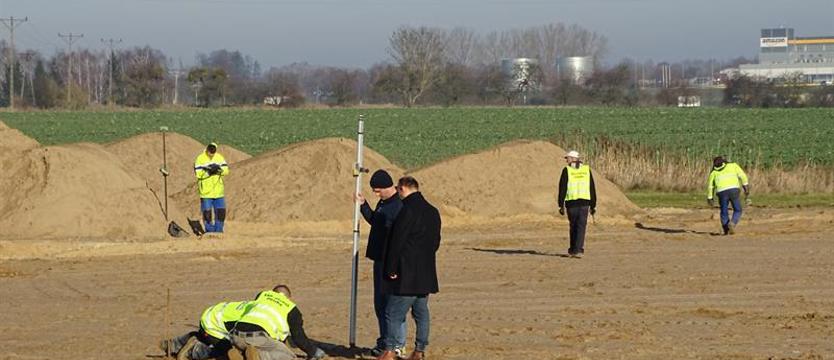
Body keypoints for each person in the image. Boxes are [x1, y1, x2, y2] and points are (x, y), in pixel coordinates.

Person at [377, 176, 442, 360]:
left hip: (406, 274)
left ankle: (389, 351)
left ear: (404, 188)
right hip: (426, 272)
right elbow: (436, 242)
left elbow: (396, 242)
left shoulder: (406, 211)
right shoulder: (433, 211)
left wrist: (390, 269)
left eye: (398, 189)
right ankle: (420, 350)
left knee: (392, 312)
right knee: (421, 313)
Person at [355, 170, 407, 357]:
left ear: (387, 187)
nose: (376, 194)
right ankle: (385, 341)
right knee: (380, 305)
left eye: (377, 191)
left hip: (391, 262)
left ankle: (397, 344)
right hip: (379, 260)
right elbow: (376, 222)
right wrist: (364, 206)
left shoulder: (399, 205)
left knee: (393, 307)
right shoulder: (383, 203)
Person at [228, 285, 326, 360]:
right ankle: (259, 356)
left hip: (236, 336)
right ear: (288, 298)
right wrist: (313, 352)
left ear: (272, 292)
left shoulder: (262, 295)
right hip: (257, 338)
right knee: (289, 356)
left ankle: (241, 354)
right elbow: (298, 338)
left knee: (270, 346)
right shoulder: (290, 308)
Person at [160, 301, 250, 360]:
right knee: (223, 351)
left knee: (206, 336)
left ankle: (174, 344)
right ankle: (191, 350)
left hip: (212, 315)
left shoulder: (257, 304)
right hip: (213, 324)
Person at [557, 150, 597, 258]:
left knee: (573, 226)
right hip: (584, 203)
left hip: (572, 203)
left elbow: (562, 188)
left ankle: (574, 249)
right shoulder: (586, 170)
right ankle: (578, 249)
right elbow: (592, 188)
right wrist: (593, 204)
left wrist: (560, 204)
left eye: (568, 158)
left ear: (574, 159)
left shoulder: (567, 170)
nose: (567, 160)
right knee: (581, 226)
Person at [706, 156, 750, 235]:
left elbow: (710, 186)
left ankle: (726, 230)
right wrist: (746, 188)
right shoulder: (733, 165)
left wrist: (710, 198)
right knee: (738, 210)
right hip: (734, 190)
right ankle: (732, 223)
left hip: (721, 192)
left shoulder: (713, 173)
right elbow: (743, 176)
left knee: (724, 211)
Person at [194, 142, 229, 233]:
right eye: (210, 152)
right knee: (207, 214)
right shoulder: (200, 159)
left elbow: (226, 170)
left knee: (221, 212)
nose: (211, 154)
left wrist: (218, 170)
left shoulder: (219, 157)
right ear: (207, 150)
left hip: (218, 191)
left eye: (213, 152)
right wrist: (209, 172)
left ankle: (219, 231)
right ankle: (210, 232)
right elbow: (198, 174)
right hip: (206, 192)